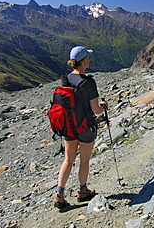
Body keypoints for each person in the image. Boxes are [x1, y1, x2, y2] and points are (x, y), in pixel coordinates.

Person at [54, 46, 108, 209]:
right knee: (84, 161)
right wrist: (104, 107)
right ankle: (82, 191)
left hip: (68, 127)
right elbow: (96, 110)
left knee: (68, 160)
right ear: (83, 60)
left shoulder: (66, 78)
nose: (89, 60)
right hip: (85, 127)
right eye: (88, 58)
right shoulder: (89, 82)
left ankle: (59, 195)